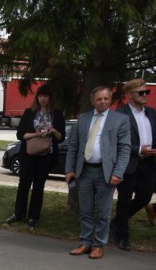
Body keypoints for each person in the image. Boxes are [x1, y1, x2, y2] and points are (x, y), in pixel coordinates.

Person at [65, 86, 130, 259]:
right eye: (99, 99)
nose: (103, 102)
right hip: (84, 171)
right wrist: (69, 169)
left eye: (106, 98)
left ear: (111, 99)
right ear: (92, 100)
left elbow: (124, 149)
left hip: (106, 173)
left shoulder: (120, 120)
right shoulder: (83, 118)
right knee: (85, 210)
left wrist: (118, 172)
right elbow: (74, 146)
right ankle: (85, 242)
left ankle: (99, 244)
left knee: (103, 211)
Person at [5, 85, 66, 229]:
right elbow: (21, 135)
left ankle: (33, 217)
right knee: (24, 185)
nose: (42, 99)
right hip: (28, 155)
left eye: (45, 96)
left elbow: (61, 137)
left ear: (50, 98)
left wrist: (53, 131)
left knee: (39, 186)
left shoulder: (56, 114)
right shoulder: (29, 112)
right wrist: (37, 134)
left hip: (46, 156)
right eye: (40, 96)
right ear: (37, 97)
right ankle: (18, 214)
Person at [110, 79, 156, 250]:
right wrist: (138, 150)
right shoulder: (120, 115)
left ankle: (116, 222)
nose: (145, 95)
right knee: (124, 200)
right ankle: (122, 236)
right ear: (129, 95)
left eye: (147, 92)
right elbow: (115, 141)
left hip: (149, 164)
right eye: (141, 93)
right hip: (128, 163)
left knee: (144, 198)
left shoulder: (152, 113)